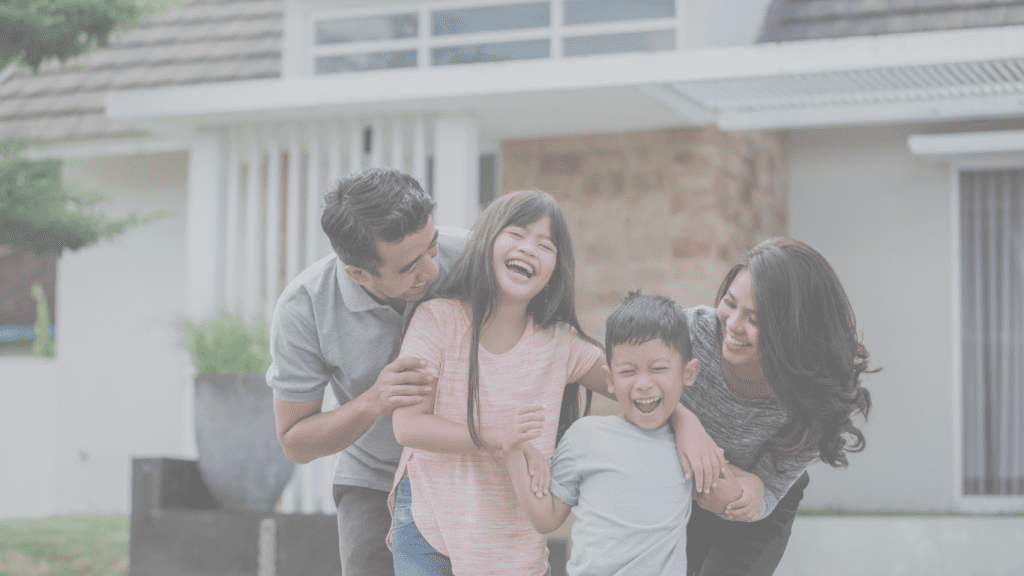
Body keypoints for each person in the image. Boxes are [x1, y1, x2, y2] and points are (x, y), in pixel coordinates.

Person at [388, 190, 612, 576]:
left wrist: (684, 419)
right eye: (517, 234)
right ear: (487, 240)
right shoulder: (437, 321)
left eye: (546, 245)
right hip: (430, 516)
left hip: (511, 532)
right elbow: (407, 425)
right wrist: (496, 435)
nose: (529, 249)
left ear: (555, 271)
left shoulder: (560, 343)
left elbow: (638, 384)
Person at [266, 167, 467, 576]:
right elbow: (295, 442)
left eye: (432, 247)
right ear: (357, 273)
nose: (431, 270)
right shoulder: (304, 310)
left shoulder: (474, 256)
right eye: (410, 267)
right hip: (376, 478)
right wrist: (372, 403)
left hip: (473, 467)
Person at [504, 292, 742, 576]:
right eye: (628, 371)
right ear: (609, 380)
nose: (643, 383)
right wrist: (511, 451)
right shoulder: (585, 437)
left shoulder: (689, 448)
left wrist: (737, 490)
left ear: (688, 373)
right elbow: (546, 518)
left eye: (659, 369)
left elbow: (728, 494)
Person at [681, 237, 875, 576]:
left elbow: (765, 490)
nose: (733, 324)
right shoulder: (688, 334)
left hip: (757, 513)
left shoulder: (813, 401)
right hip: (683, 489)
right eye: (729, 302)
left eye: (754, 319)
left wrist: (750, 488)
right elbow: (630, 389)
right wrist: (685, 423)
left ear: (794, 331)